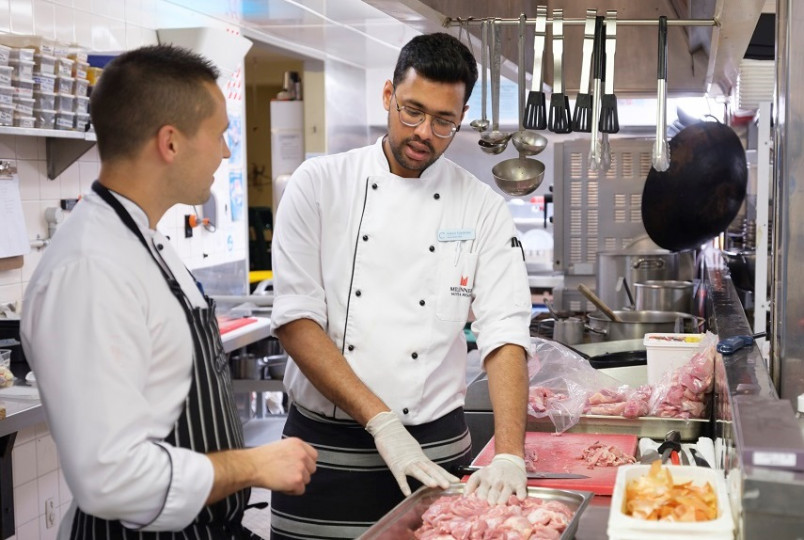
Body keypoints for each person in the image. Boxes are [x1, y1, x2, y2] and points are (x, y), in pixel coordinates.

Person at [20, 45, 317, 539]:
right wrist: (251, 466)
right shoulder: (92, 269)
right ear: (171, 143)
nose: (225, 151)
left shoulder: (141, 241)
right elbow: (112, 479)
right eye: (220, 134)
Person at [269, 32, 532, 539]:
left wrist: (511, 454)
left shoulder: (481, 206)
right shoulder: (319, 185)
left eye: (443, 121)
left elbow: (505, 332)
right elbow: (297, 321)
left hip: (436, 457)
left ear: (462, 116)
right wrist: (383, 424)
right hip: (322, 455)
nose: (423, 132)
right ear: (388, 94)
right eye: (412, 111)